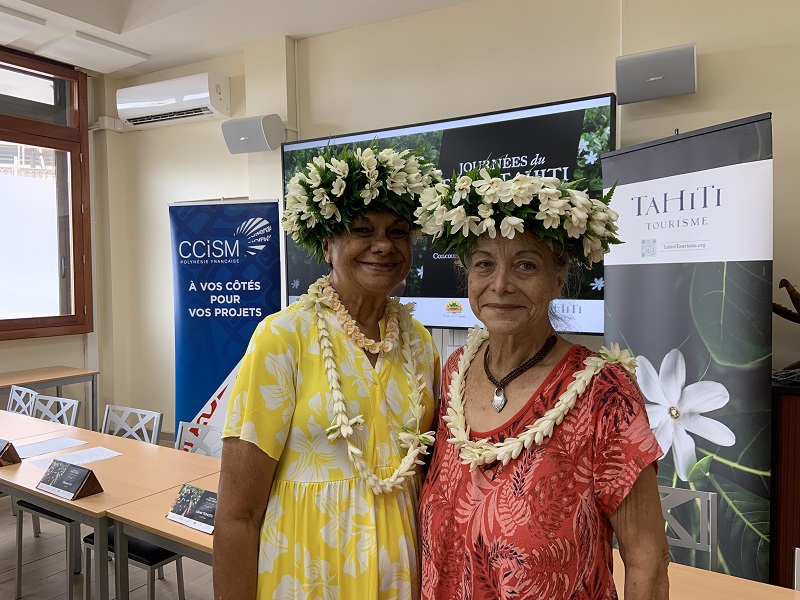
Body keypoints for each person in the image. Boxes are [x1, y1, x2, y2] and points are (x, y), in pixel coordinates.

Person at [414, 165, 669, 599]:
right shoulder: (455, 371)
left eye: (525, 265)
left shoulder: (602, 393)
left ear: (557, 279)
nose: (500, 285)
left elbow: (647, 558)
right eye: (484, 264)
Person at [213, 145, 442, 600]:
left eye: (398, 233)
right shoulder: (283, 337)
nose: (384, 245)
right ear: (326, 243)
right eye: (362, 230)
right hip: (306, 573)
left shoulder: (419, 341)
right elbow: (237, 514)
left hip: (401, 580)